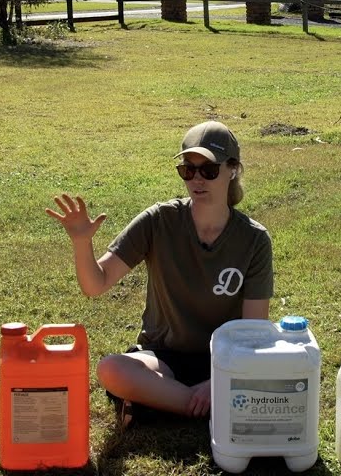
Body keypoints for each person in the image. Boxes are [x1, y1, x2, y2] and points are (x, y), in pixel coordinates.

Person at [45, 121, 273, 428]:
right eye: (188, 170)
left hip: (225, 357)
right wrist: (81, 242)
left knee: (264, 370)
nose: (197, 180)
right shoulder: (159, 220)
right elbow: (95, 284)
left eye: (208, 170)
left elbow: (253, 333)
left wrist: (220, 379)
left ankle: (162, 403)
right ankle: (207, 406)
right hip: (163, 357)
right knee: (112, 369)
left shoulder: (254, 240)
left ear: (233, 169)